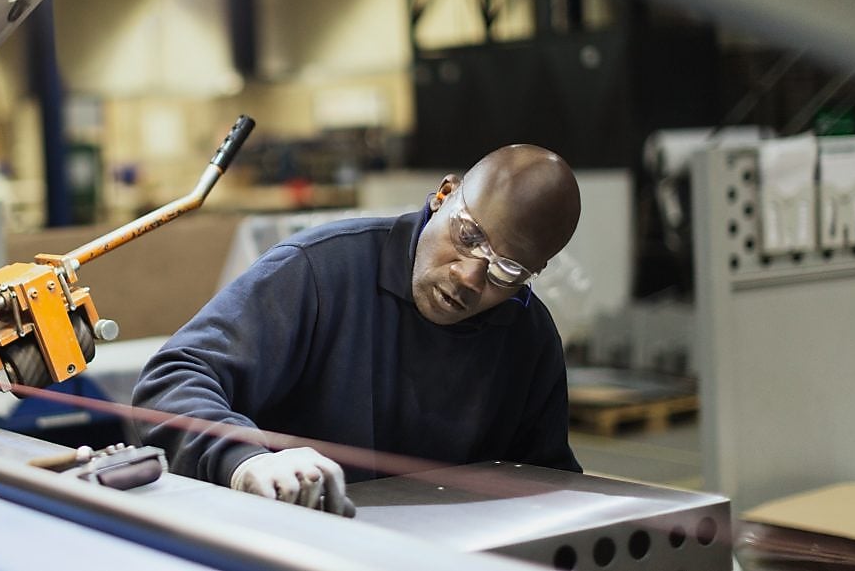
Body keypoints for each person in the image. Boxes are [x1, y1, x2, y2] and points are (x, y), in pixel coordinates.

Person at [131, 144, 583, 517]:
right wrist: (243, 459)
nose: (469, 277)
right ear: (444, 196)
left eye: (506, 271)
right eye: (468, 237)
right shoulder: (317, 272)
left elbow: (547, 484)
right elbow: (172, 379)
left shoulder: (528, 336)